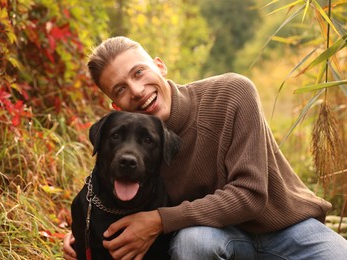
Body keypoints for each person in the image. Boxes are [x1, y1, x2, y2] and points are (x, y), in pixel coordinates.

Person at [63, 36, 347, 260]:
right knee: (193, 243)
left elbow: (251, 193)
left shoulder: (233, 92)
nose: (136, 90)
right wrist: (83, 235)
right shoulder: (137, 146)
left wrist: (162, 220)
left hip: (289, 228)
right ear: (115, 105)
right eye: (120, 89)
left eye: (139, 72)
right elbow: (116, 196)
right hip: (215, 237)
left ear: (159, 66)